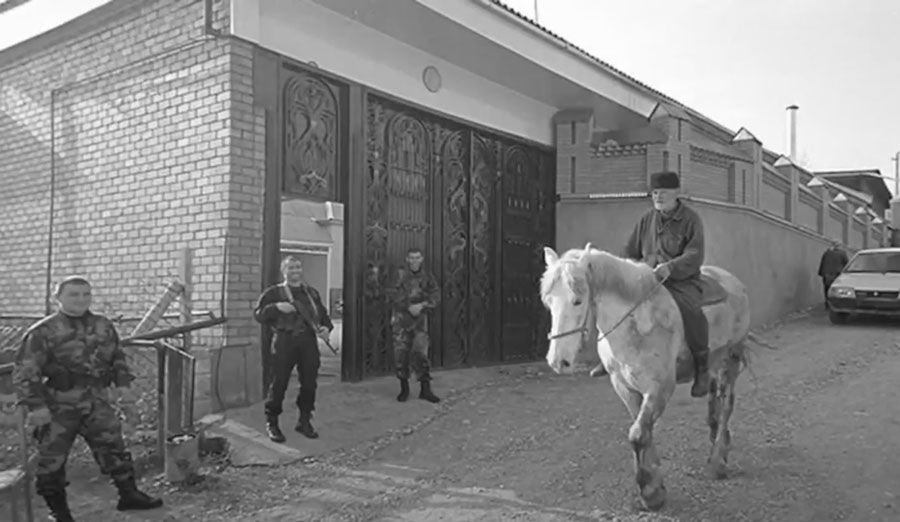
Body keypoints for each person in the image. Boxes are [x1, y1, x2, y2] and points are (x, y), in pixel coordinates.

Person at [13, 276, 163, 522]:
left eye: (86, 294)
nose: (81, 299)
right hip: (59, 403)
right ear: (58, 298)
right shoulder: (43, 331)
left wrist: (123, 384)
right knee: (52, 458)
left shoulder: (103, 325)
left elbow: (117, 356)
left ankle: (129, 495)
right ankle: (59, 512)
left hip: (97, 399)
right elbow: (26, 371)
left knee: (113, 447)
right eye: (73, 294)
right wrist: (36, 406)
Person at [622, 171, 710, 398]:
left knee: (691, 310)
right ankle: (614, 357)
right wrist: (629, 270)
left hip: (681, 281)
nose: (658, 197)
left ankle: (702, 366)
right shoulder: (646, 219)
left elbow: (695, 253)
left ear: (676, 193)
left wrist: (671, 267)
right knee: (620, 304)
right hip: (647, 280)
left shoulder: (691, 219)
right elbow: (630, 251)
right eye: (655, 193)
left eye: (663, 192)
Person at [254, 256, 333, 443]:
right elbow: (258, 314)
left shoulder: (311, 293)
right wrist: (276, 307)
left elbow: (323, 316)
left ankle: (304, 421)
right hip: (284, 342)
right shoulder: (274, 292)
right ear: (284, 271)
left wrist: (326, 329)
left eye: (298, 267)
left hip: (308, 342)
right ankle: (272, 422)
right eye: (291, 268)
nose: (295, 270)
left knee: (309, 383)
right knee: (279, 382)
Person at [389, 248, 441, 404]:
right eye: (411, 258)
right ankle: (404, 388)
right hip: (401, 320)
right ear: (407, 259)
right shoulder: (399, 275)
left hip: (420, 321)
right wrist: (407, 306)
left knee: (421, 353)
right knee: (401, 354)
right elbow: (391, 293)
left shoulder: (428, 277)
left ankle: (425, 389)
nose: (414, 261)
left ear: (422, 259)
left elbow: (436, 295)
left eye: (417, 257)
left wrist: (423, 305)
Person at [818, 241, 849, 308]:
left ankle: (827, 304)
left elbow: (822, 263)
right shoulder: (842, 253)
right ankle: (836, 304)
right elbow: (846, 264)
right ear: (839, 246)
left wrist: (821, 273)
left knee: (827, 289)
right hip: (837, 275)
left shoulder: (827, 253)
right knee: (837, 290)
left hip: (826, 275)